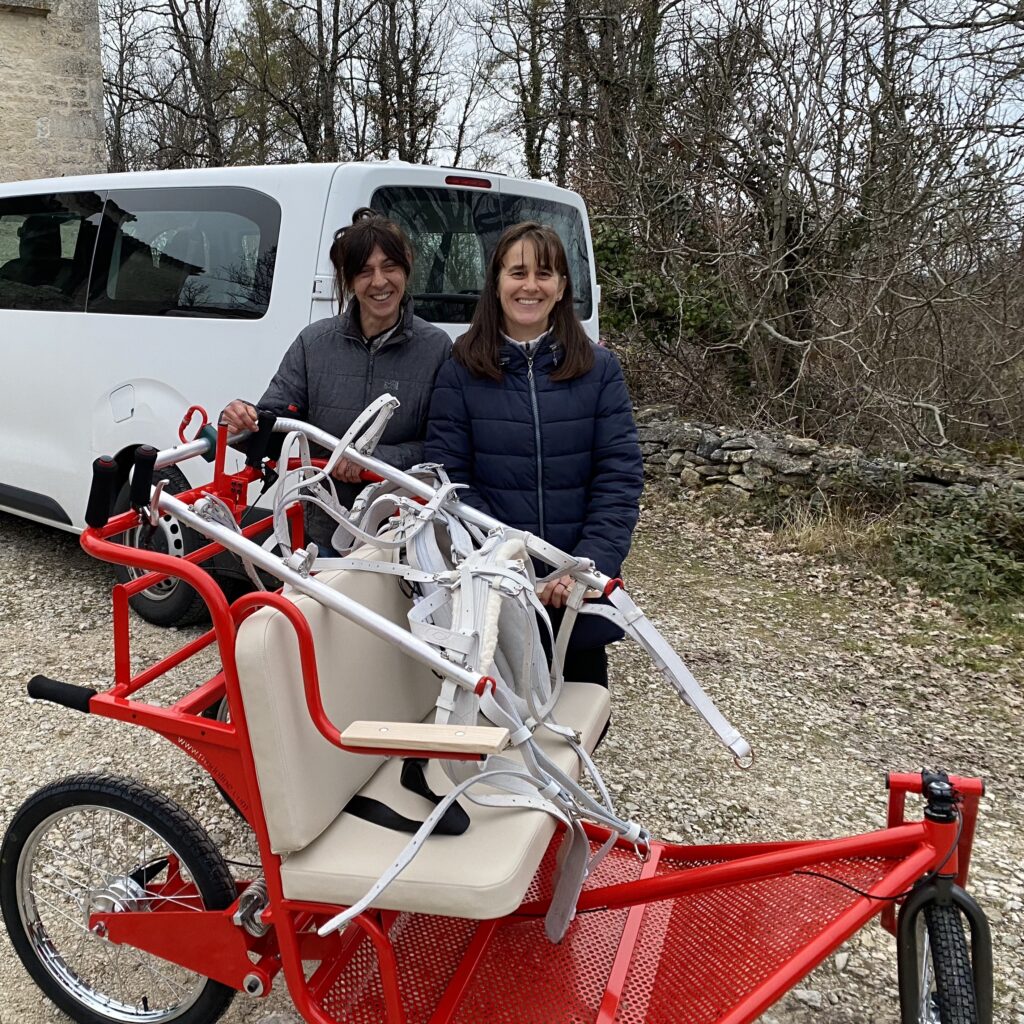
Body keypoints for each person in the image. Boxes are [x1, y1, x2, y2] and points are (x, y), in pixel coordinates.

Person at [425, 222, 643, 686]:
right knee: (499, 729)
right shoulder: (461, 367)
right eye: (517, 272)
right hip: (497, 592)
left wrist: (584, 567)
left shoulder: (599, 369)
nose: (530, 286)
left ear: (562, 287)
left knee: (581, 727)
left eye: (544, 274)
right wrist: (515, 565)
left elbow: (619, 477)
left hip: (579, 593)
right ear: (497, 283)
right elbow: (452, 482)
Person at [221, 208, 451, 551]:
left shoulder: (436, 348)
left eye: (389, 267)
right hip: (322, 530)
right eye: (364, 272)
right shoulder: (314, 343)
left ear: (406, 268)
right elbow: (279, 422)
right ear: (348, 279)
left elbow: (443, 445)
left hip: (402, 534)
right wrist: (243, 421)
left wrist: (371, 460)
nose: (379, 282)